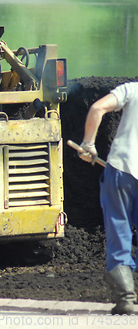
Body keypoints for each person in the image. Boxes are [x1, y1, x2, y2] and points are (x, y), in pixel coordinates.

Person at [79, 81, 138, 315]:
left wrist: (88, 144)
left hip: (121, 170)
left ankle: (125, 298)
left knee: (119, 230)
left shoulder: (133, 89)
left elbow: (97, 108)